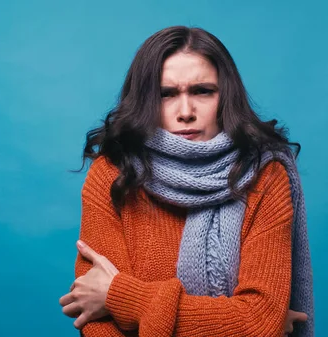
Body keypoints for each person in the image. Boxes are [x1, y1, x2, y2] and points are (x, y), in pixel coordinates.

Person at [59, 26, 314, 336]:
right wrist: (240, 322)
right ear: (146, 100)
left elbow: (258, 321)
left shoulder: (264, 175)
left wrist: (120, 297)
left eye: (202, 91)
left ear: (225, 97)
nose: (185, 112)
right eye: (166, 94)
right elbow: (96, 322)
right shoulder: (112, 175)